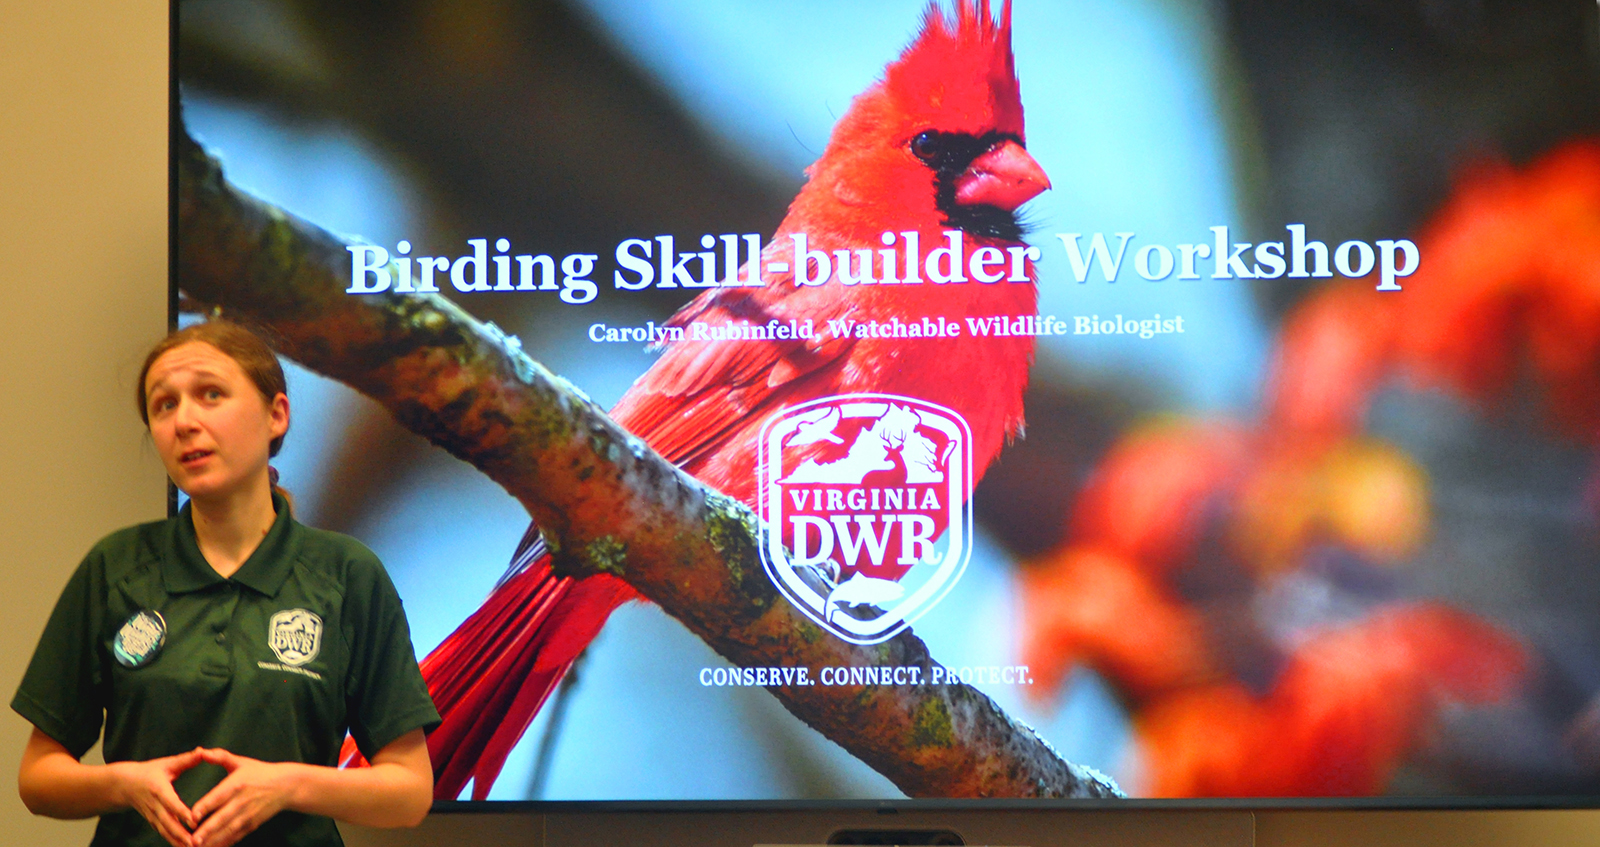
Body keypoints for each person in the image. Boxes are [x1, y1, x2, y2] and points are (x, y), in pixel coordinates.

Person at [13, 319, 441, 847]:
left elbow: (409, 791)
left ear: (276, 415)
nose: (184, 421)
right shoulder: (116, 566)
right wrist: (123, 784)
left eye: (210, 394)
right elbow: (37, 778)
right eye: (163, 406)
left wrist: (288, 785)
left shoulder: (347, 573)